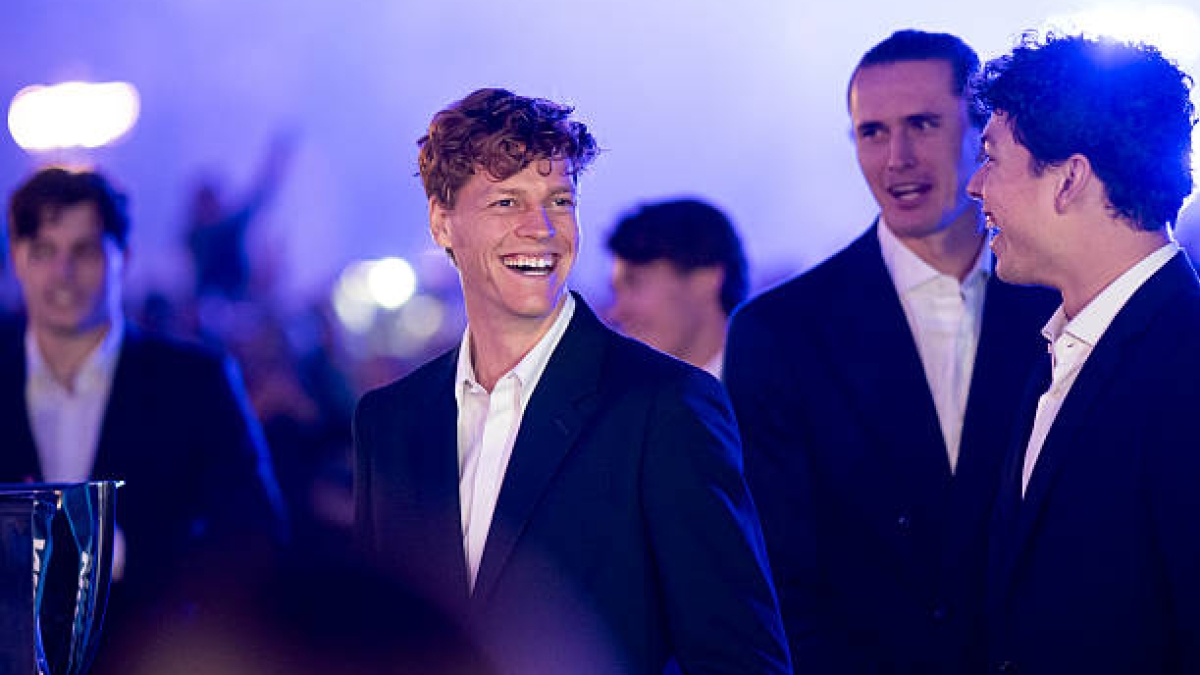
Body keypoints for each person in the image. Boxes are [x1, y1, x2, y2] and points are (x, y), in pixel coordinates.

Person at [354, 88, 790, 674]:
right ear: (441, 222)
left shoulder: (664, 406)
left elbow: (741, 661)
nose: (540, 228)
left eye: (559, 201)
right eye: (507, 202)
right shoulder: (388, 421)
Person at [724, 29, 1057, 673]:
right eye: (872, 132)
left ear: (984, 134)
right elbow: (775, 576)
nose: (896, 157)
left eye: (923, 125)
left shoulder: (1060, 303)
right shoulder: (780, 331)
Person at [967, 34, 1200, 673]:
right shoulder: (1061, 348)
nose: (974, 185)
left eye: (990, 157)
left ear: (1069, 179)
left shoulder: (1186, 365)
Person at [0, 167, 287, 672]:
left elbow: (256, 536)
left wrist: (111, 550)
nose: (63, 273)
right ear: (17, 258)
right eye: (43, 251)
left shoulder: (194, 381)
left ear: (124, 258)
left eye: (84, 251)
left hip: (151, 655)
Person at [606, 197, 748, 377]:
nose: (616, 313)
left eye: (635, 283)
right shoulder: (622, 390)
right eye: (616, 292)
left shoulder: (772, 385)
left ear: (705, 279)